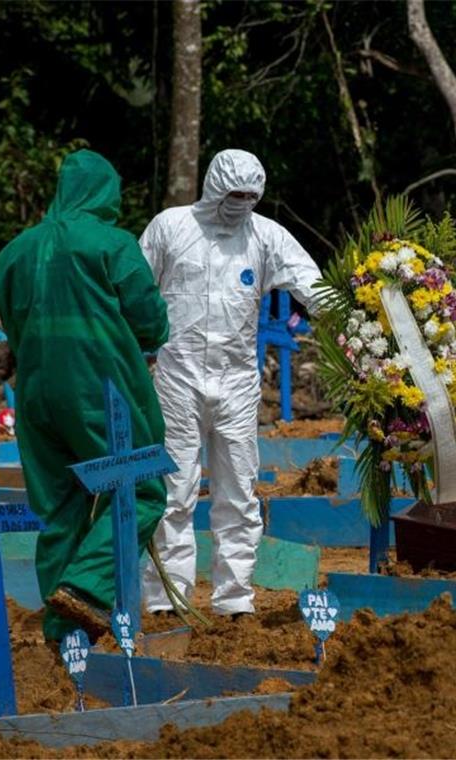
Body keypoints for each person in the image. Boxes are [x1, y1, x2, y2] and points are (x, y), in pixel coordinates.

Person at [0, 149, 171, 644]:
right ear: (105, 192)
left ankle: (62, 639)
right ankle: (87, 589)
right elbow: (150, 319)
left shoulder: (13, 252)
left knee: (61, 507)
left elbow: (13, 326)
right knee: (140, 486)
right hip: (101, 392)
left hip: (34, 395)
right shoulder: (112, 244)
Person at [140, 149, 323, 617]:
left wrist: (355, 316)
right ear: (214, 186)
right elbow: (137, 291)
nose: (240, 203)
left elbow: (310, 282)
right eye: (233, 194)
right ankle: (167, 601)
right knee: (173, 489)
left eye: (249, 196)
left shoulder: (265, 236)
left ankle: (235, 600)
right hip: (177, 378)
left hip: (238, 383)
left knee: (238, 492)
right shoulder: (171, 228)